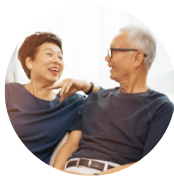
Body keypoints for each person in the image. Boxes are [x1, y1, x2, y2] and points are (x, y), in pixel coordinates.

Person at [57, 25, 174, 175]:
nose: (107, 58)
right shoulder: (94, 98)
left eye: (112, 51)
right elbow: (71, 145)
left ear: (137, 58)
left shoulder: (161, 107)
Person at [6, 32, 103, 166]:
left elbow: (113, 99)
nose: (57, 60)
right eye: (49, 54)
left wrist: (85, 85)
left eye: (60, 57)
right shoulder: (9, 91)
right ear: (29, 62)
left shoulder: (73, 102)